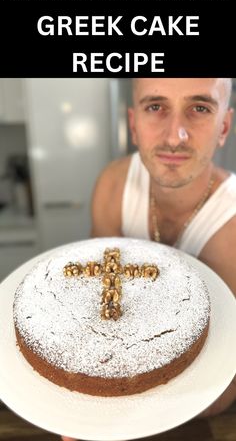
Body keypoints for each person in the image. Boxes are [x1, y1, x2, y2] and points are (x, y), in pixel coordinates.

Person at [61, 78, 236, 441]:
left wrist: (110, 416)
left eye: (199, 108)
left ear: (224, 127)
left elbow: (225, 382)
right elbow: (101, 310)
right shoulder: (112, 186)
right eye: (156, 107)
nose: (176, 136)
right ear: (133, 125)